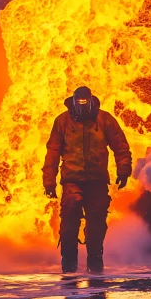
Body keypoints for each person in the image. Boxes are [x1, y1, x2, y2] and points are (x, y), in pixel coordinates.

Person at [42, 86, 132, 274]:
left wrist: (123, 170)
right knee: (69, 218)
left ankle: (95, 261)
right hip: (71, 180)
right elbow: (52, 152)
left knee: (97, 222)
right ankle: (68, 263)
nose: (82, 107)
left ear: (91, 101)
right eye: (79, 103)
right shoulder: (62, 121)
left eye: (85, 103)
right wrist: (49, 182)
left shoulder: (105, 120)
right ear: (74, 102)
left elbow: (120, 145)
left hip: (97, 180)